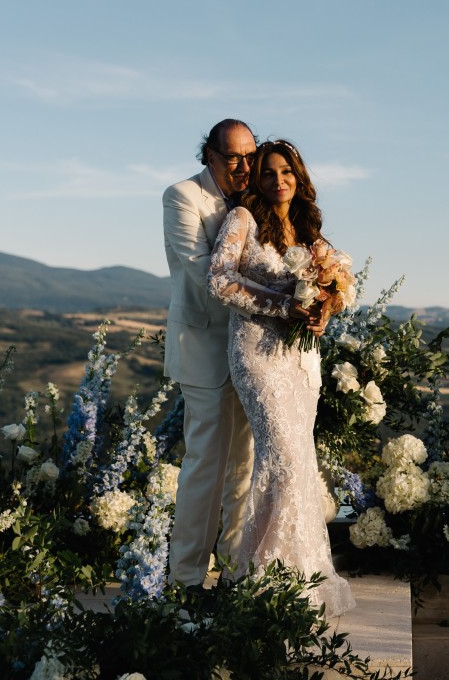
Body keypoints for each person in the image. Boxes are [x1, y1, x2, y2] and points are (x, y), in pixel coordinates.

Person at [207, 138, 355, 615]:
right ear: (258, 178)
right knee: (284, 459)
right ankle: (266, 579)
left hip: (301, 360)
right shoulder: (243, 218)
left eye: (286, 171)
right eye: (268, 172)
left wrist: (324, 311)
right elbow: (219, 280)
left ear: (298, 175)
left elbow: (337, 287)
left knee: (299, 462)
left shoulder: (309, 230)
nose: (278, 180)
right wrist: (283, 305)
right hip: (258, 355)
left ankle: (295, 576)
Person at [164, 119, 258, 587]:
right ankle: (185, 579)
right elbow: (206, 273)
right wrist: (282, 299)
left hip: (255, 352)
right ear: (210, 156)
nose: (244, 167)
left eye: (250, 156)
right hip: (203, 348)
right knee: (204, 468)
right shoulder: (182, 196)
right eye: (233, 158)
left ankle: (235, 575)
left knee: (245, 468)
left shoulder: (259, 196)